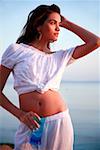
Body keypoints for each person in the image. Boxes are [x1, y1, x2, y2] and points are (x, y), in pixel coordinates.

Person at [0, 4, 99, 150]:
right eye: (53, 23)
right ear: (38, 25)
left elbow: (95, 42)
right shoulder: (16, 50)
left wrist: (68, 24)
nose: (58, 29)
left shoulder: (61, 56)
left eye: (60, 24)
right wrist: (20, 115)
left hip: (59, 123)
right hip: (29, 123)